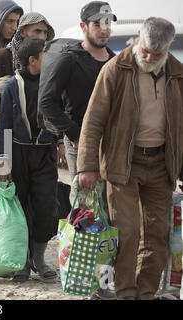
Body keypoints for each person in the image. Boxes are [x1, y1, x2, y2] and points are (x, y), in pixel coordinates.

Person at [77, 17, 183, 300]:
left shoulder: (178, 74)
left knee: (158, 236)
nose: (149, 58)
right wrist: (87, 166)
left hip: (161, 166)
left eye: (157, 54)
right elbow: (93, 120)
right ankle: (124, 293)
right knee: (126, 233)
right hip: (122, 164)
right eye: (146, 50)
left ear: (168, 48)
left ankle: (145, 293)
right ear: (139, 37)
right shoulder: (115, 69)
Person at [38, 1, 117, 204]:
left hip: (111, 143)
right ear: (84, 26)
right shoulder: (70, 60)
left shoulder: (116, 62)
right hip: (80, 142)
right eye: (97, 24)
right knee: (84, 204)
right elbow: (46, 102)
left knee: (111, 203)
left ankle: (109, 238)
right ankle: (79, 237)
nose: (103, 30)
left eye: (107, 23)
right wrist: (73, 132)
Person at [0, 38, 58, 282]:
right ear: (32, 60)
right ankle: (22, 260)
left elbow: (58, 113)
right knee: (20, 208)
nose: (49, 59)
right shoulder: (11, 86)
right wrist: (3, 163)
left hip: (44, 152)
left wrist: (61, 142)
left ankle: (39, 258)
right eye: (45, 54)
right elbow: (3, 127)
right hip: (18, 153)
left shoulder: (51, 82)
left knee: (47, 206)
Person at [0, 11, 54, 89]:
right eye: (37, 31)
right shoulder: (1, 56)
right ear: (23, 32)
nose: (42, 37)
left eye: (45, 33)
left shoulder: (49, 60)